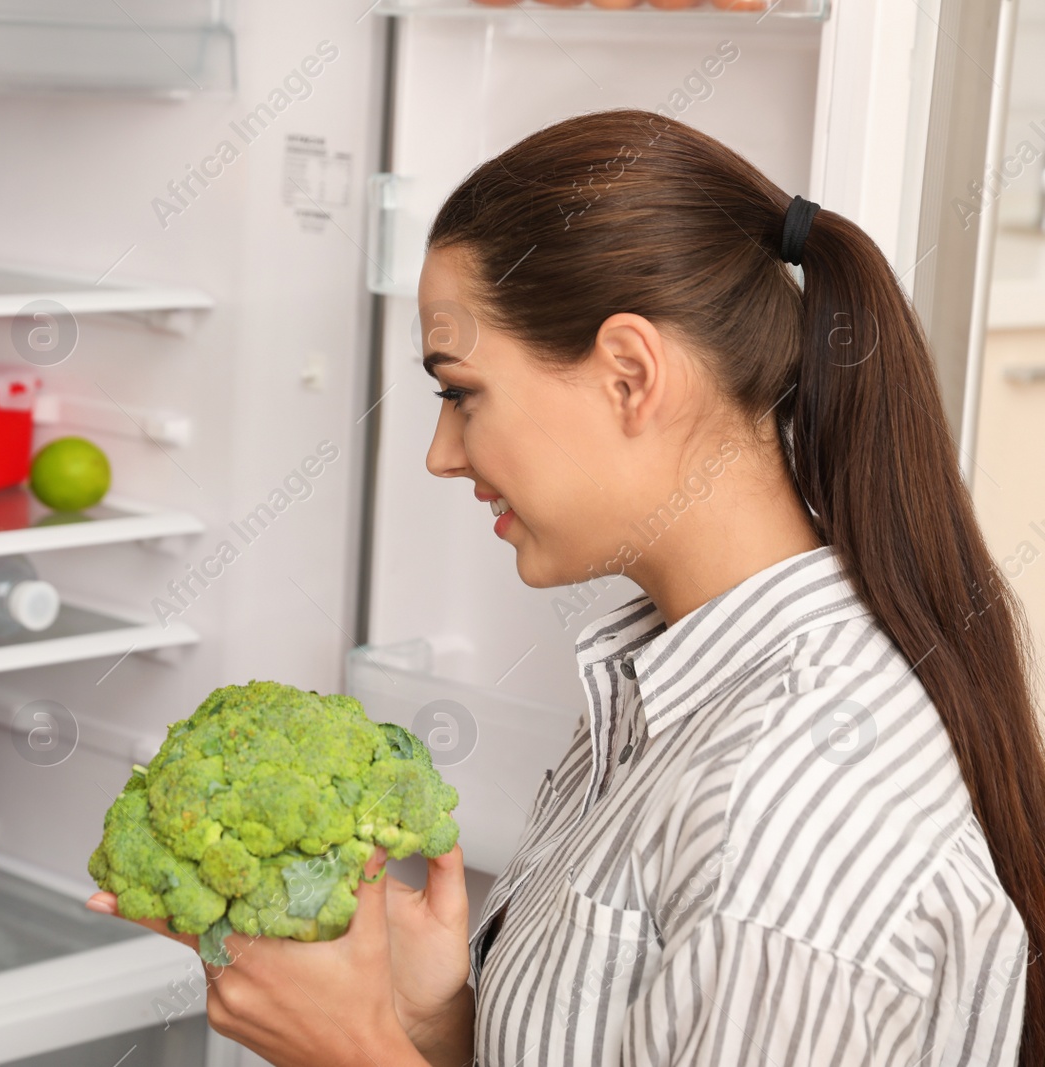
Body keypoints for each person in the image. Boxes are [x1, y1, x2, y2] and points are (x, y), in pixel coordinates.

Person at [86, 108, 1044, 1066]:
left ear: (630, 374)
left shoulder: (795, 804)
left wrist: (352, 1050)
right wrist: (438, 1024)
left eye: (460, 392)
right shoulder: (672, 679)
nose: (440, 453)